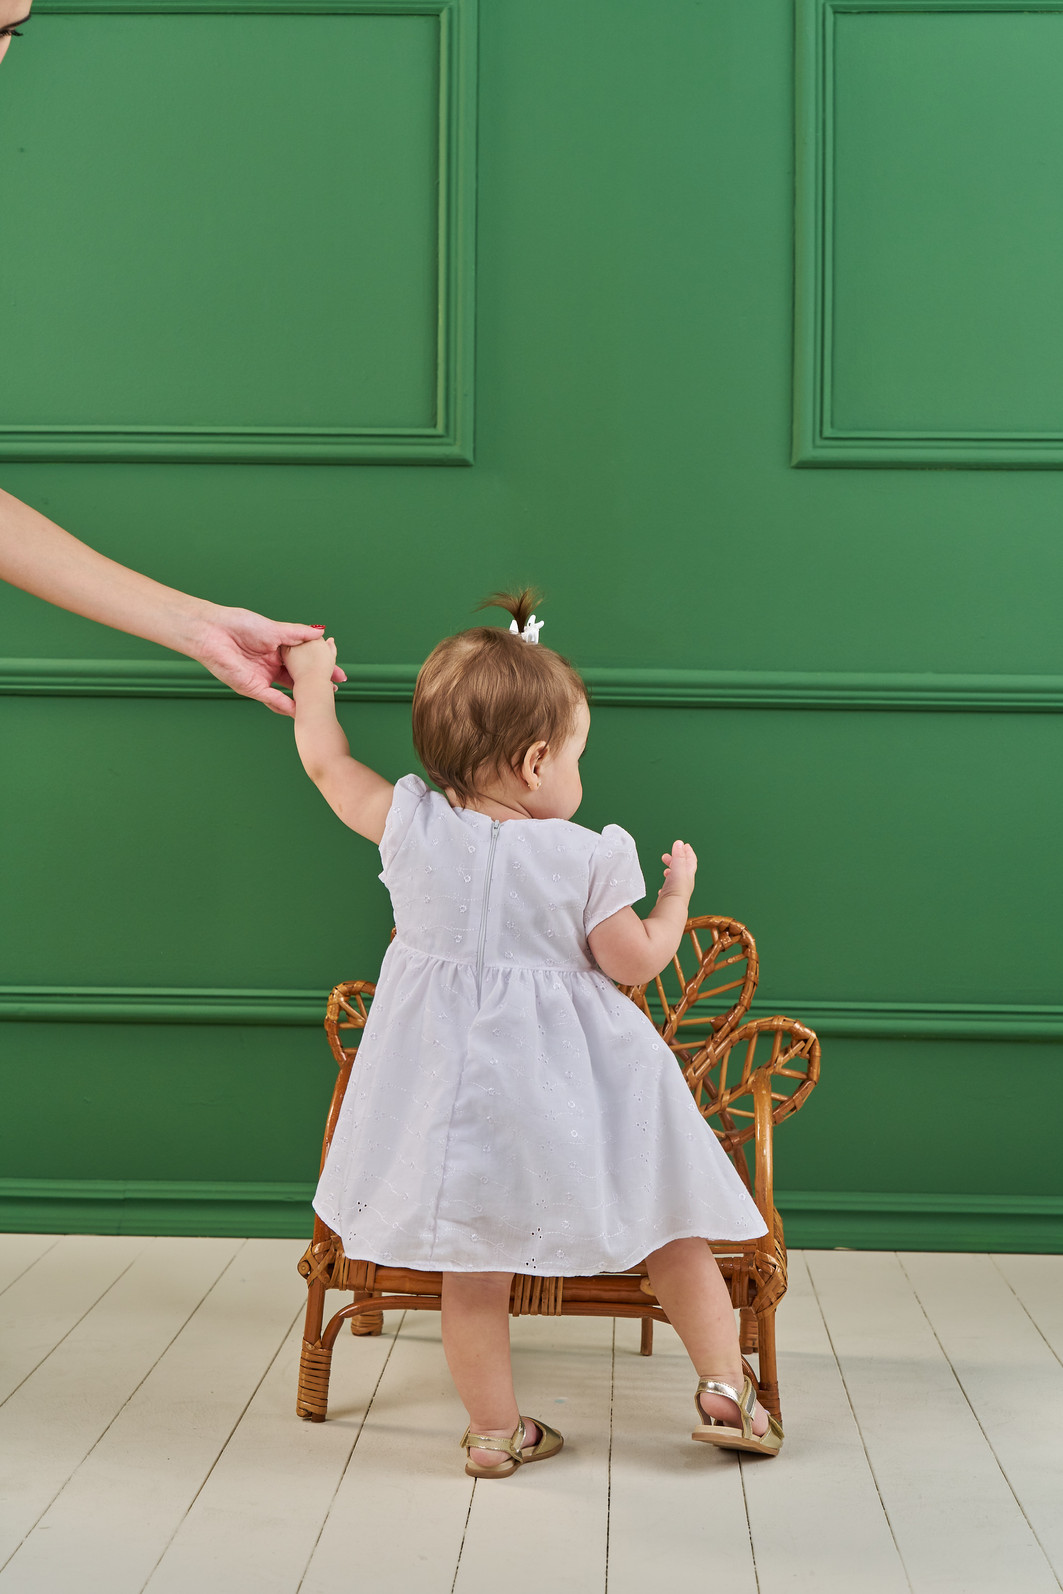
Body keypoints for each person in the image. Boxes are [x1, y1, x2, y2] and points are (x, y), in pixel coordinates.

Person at [282, 591, 784, 1475]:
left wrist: (313, 678)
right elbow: (634, 963)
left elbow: (326, 764)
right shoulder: (587, 856)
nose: (579, 772)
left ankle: (493, 1432)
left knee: (472, 1265)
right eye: (577, 755)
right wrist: (674, 898)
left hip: (456, 1103)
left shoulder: (409, 824)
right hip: (578, 1095)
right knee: (668, 1221)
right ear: (536, 761)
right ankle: (722, 1389)